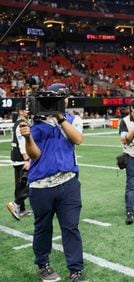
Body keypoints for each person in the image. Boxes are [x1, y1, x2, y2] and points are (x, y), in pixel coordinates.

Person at [19, 85, 86, 281]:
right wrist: (28, 136)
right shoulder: (34, 123)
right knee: (43, 227)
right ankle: (43, 264)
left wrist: (59, 117)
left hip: (68, 182)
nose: (61, 100)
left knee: (71, 227)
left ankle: (75, 270)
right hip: (41, 185)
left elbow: (78, 139)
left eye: (63, 97)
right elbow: (35, 155)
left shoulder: (73, 120)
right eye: (56, 98)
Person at [6, 102, 32, 220]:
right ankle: (16, 204)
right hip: (21, 159)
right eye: (26, 110)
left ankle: (20, 209)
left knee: (19, 184)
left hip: (16, 158)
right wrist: (27, 159)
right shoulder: (22, 123)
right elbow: (22, 143)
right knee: (27, 184)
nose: (28, 111)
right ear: (21, 111)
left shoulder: (17, 122)